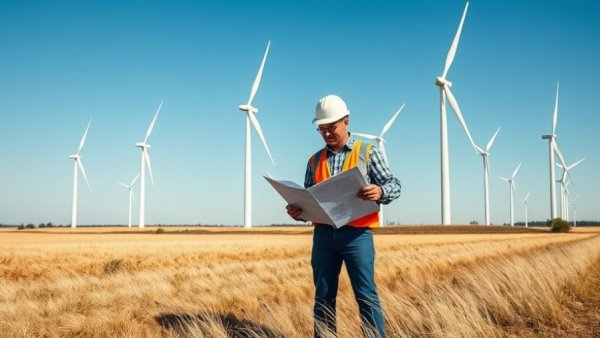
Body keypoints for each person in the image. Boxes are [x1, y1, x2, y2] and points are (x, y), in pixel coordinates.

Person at [286, 94, 401, 338]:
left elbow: (394, 185)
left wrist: (380, 190)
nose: (327, 133)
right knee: (323, 298)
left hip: (357, 235)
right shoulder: (314, 160)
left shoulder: (367, 151)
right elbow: (309, 198)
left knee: (366, 296)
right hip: (324, 236)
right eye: (322, 129)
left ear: (346, 121)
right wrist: (299, 212)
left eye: (332, 127)